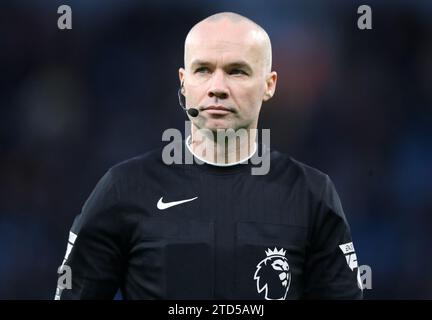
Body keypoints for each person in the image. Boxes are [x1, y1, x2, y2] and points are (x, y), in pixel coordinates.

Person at [55, 12, 363, 300]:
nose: (217, 87)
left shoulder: (311, 194)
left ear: (269, 85)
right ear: (183, 82)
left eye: (237, 71)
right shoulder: (124, 189)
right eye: (203, 70)